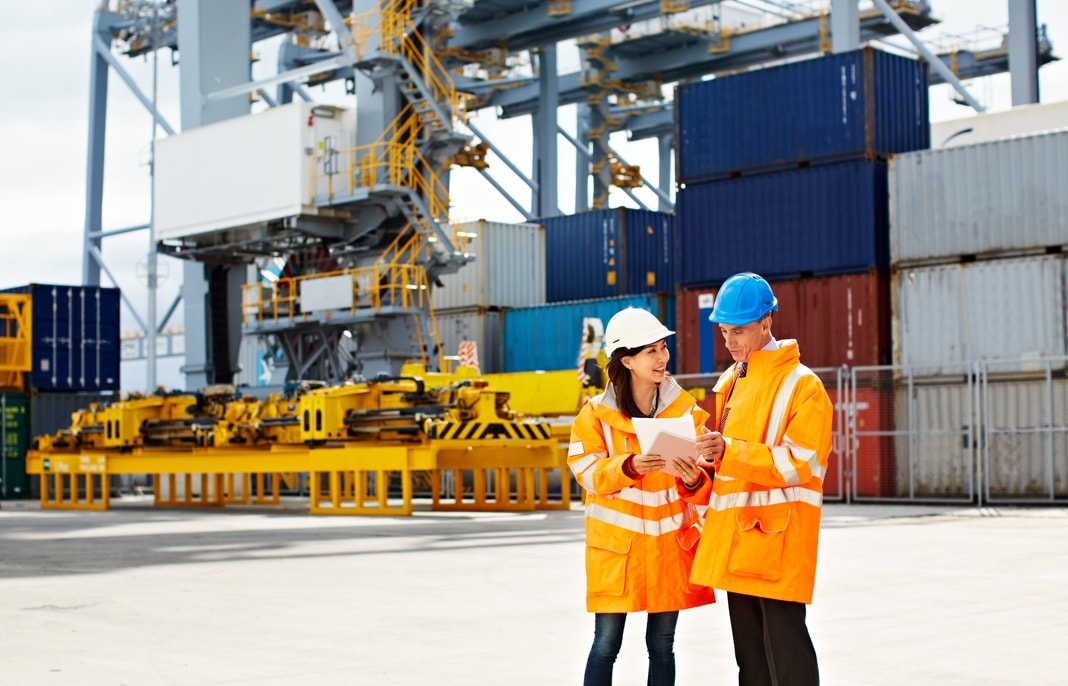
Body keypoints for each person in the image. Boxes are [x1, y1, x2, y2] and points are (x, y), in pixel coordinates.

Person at [690, 272, 834, 686]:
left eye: (738, 331)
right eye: (723, 331)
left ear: (766, 323)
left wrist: (728, 452)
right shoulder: (732, 383)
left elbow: (802, 463)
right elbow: (729, 471)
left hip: (777, 542)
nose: (729, 342)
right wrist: (696, 473)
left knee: (787, 657)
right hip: (739, 539)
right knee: (751, 660)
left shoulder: (804, 386)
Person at [568, 306, 716, 686]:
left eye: (663, 347)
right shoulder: (594, 416)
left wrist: (693, 480)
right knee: (606, 645)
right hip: (619, 552)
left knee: (662, 645)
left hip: (668, 548)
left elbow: (708, 479)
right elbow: (585, 472)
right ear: (627, 360)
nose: (663, 357)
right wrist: (629, 465)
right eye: (652, 351)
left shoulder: (685, 412)